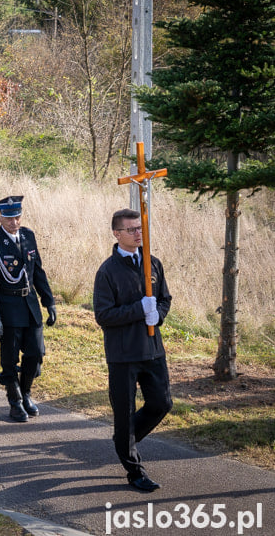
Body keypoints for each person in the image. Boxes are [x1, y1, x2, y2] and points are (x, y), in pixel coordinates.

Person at [94, 208, 173, 492]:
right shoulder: (107, 271)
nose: (138, 233)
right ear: (117, 234)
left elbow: (164, 298)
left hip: (152, 349)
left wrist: (159, 314)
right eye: (131, 230)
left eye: (140, 228)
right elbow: (103, 315)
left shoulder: (153, 263)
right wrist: (138, 310)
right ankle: (134, 470)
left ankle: (123, 442)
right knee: (124, 413)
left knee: (161, 404)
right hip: (123, 354)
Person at [0, 195, 56, 423]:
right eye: (9, 217)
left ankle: (26, 393)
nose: (14, 222)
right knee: (10, 359)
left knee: (35, 353)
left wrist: (48, 301)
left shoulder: (28, 236)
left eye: (18, 217)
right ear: (0, 217)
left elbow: (38, 271)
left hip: (30, 305)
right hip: (8, 308)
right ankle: (14, 401)